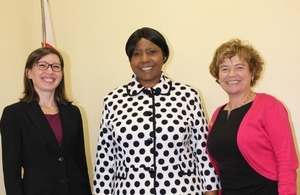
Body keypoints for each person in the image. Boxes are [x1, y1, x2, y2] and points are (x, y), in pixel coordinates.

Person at [93, 27, 220, 195]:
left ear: (164, 56)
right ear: (130, 60)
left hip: (182, 189)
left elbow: (202, 150)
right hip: (130, 190)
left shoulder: (188, 96)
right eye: (136, 54)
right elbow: (105, 157)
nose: (145, 59)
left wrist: (210, 190)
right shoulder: (113, 100)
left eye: (152, 52)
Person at [207, 38, 299, 195]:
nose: (232, 74)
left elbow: (286, 162)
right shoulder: (217, 113)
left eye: (239, 67)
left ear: (252, 73)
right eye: (224, 69)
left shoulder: (269, 106)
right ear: (218, 75)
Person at [0, 47, 92, 195]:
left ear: (62, 74)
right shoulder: (13, 114)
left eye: (56, 67)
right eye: (42, 65)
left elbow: (81, 163)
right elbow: (11, 172)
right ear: (29, 72)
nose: (50, 71)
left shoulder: (73, 112)